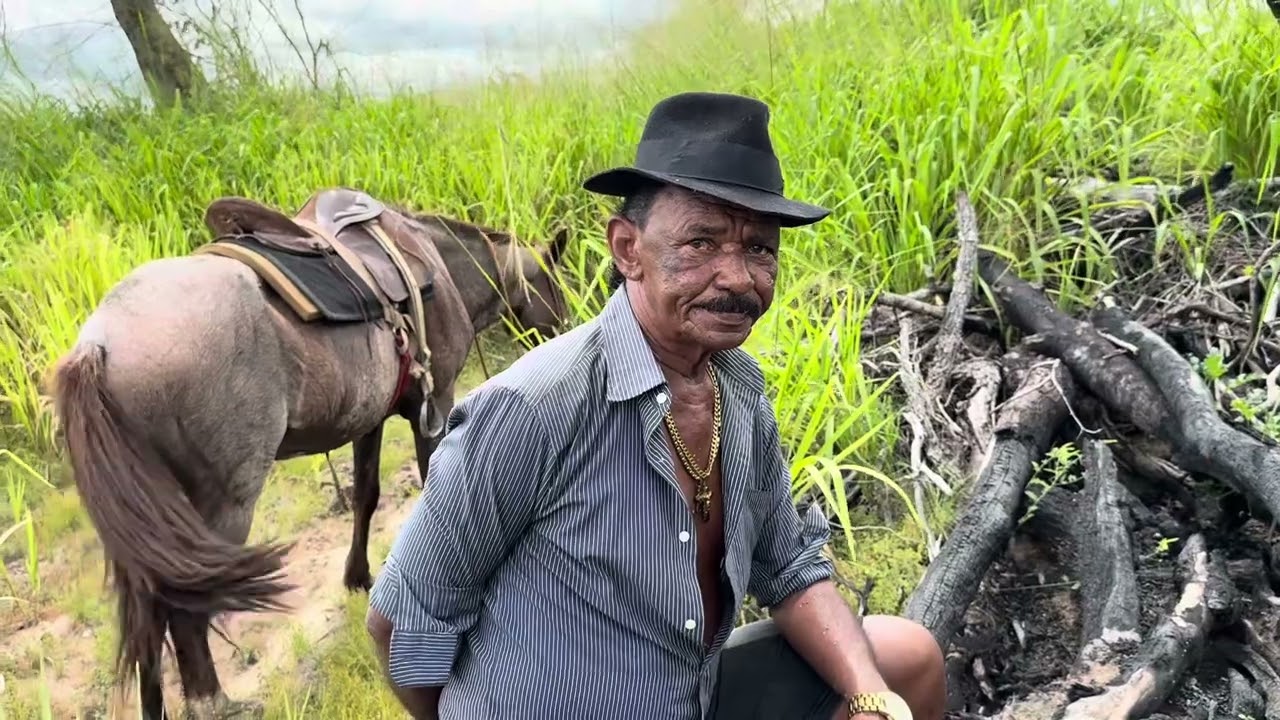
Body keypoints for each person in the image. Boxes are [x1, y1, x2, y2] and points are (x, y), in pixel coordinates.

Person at [365, 91, 947, 720]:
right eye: (701, 242)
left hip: (687, 695)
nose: (738, 277)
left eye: (759, 248)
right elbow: (400, 621)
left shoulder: (739, 395)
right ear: (627, 250)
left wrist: (869, 694)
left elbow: (788, 566)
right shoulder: (533, 406)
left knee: (904, 658)